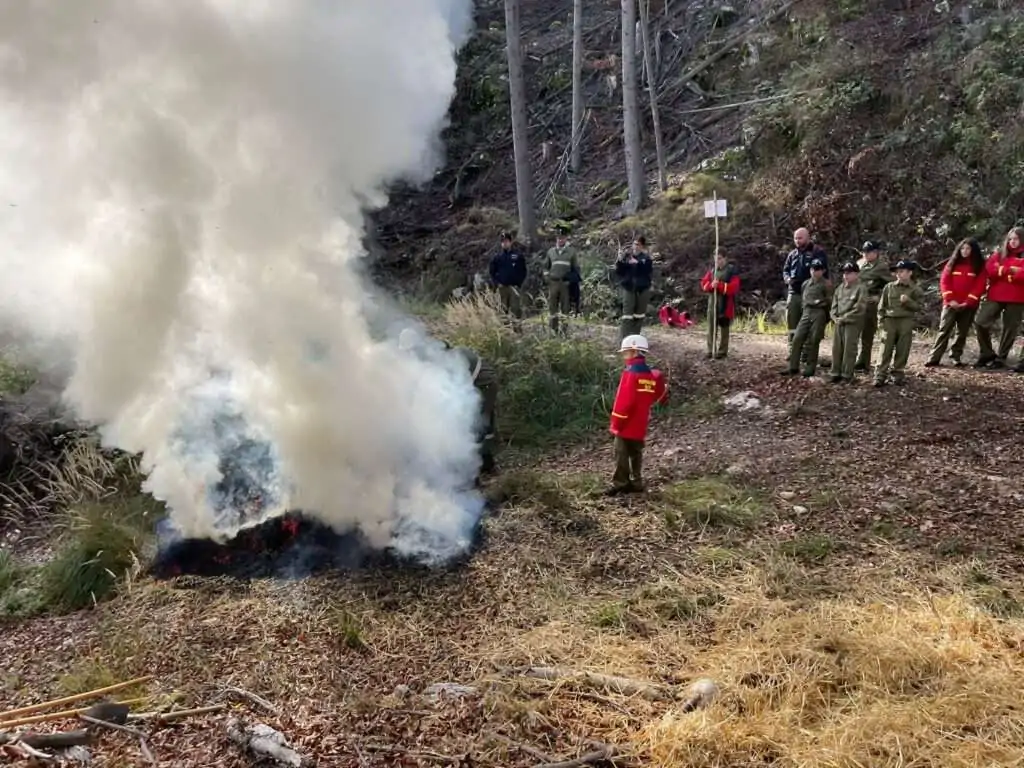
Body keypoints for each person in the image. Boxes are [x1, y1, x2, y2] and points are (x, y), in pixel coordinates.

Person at [607, 334, 668, 495]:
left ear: (634, 351)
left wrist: (616, 423)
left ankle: (621, 483)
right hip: (641, 422)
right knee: (636, 452)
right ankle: (637, 481)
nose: (623, 355)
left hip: (626, 422)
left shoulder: (630, 373)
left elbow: (624, 401)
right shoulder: (650, 375)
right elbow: (658, 395)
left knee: (620, 452)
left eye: (625, 352)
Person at [925, 238, 986, 367]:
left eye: (968, 249)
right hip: (950, 304)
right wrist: (950, 299)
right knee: (944, 330)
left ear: (973, 250)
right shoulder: (951, 264)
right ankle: (934, 357)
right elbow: (944, 282)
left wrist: (967, 302)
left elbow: (980, 286)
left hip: (968, 306)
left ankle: (955, 357)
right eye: (962, 248)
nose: (965, 251)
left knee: (962, 332)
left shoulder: (979, 267)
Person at [973, 227, 1024, 370]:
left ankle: (1001, 358)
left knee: (1010, 328)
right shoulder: (1000, 253)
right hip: (996, 294)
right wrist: (1012, 270)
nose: (1013, 242)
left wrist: (1004, 270)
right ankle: (987, 353)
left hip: (1018, 297)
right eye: (1010, 238)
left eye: (1016, 239)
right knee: (980, 321)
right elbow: (990, 269)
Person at [874, 259, 924, 387]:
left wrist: (908, 302)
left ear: (909, 273)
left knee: (903, 348)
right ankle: (880, 375)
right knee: (885, 349)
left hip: (905, 320)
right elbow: (882, 306)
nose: (898, 274)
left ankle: (897, 374)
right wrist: (881, 322)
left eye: (902, 271)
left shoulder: (915, 290)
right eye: (897, 272)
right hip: (890, 320)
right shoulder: (889, 287)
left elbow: (920, 307)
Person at [781, 227, 829, 356]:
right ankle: (793, 351)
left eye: (800, 238)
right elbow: (785, 270)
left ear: (808, 238)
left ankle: (806, 353)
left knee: (808, 325)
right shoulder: (792, 254)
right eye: (795, 238)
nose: (797, 240)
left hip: (810, 294)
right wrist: (787, 279)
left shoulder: (817, 252)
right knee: (792, 323)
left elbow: (824, 272)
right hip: (794, 292)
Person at [783, 259, 830, 377]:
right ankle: (793, 366)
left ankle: (810, 368)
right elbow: (804, 298)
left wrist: (825, 315)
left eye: (818, 269)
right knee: (797, 338)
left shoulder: (826, 284)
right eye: (813, 269)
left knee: (814, 340)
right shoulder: (806, 283)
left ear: (823, 270)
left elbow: (830, 301)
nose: (815, 272)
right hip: (806, 312)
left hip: (819, 313)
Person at [855, 240, 891, 370]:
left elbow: (890, 285)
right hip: (856, 300)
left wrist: (879, 297)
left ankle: (864, 362)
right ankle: (856, 359)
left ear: (876, 252)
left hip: (870, 302)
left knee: (867, 332)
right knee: (854, 331)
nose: (865, 254)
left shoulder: (881, 266)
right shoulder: (859, 263)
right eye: (864, 252)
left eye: (868, 252)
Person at [829, 261, 868, 383]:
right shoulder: (839, 288)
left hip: (852, 323)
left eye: (849, 273)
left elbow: (860, 307)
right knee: (837, 348)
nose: (846, 276)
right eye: (845, 273)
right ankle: (835, 373)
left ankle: (847, 375)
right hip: (839, 322)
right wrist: (834, 317)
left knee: (849, 349)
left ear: (856, 274)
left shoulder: (861, 288)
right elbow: (834, 305)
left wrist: (845, 318)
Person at [699, 247, 740, 359]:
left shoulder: (731, 270)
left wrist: (721, 286)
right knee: (711, 327)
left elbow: (734, 287)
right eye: (716, 259)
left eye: (720, 259)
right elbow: (703, 284)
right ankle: (710, 350)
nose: (718, 261)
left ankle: (722, 352)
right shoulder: (712, 271)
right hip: (712, 303)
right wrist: (711, 285)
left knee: (724, 328)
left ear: (725, 258)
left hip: (725, 304)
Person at [615, 235, 654, 340]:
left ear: (642, 246)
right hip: (629, 288)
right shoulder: (627, 257)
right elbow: (620, 272)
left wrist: (637, 264)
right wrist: (619, 261)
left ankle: (635, 339)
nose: (635, 246)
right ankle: (624, 340)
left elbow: (647, 270)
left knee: (639, 315)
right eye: (634, 244)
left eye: (638, 245)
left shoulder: (646, 259)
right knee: (627, 315)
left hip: (642, 289)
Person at [544, 225, 580, 334]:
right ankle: (553, 331)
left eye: (563, 237)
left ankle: (564, 331)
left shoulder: (571, 252)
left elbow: (576, 269)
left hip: (565, 284)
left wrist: (571, 281)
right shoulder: (551, 251)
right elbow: (546, 267)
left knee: (565, 308)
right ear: (556, 239)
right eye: (559, 237)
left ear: (566, 238)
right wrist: (547, 279)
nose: (560, 240)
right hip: (553, 283)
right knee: (552, 308)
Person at [488, 231, 527, 324]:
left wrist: (519, 283)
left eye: (506, 241)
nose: (504, 243)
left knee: (515, 310)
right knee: (502, 310)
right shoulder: (497, 258)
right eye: (502, 242)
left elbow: (523, 271)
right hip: (502, 288)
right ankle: (505, 331)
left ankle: (517, 330)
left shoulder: (518, 256)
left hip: (514, 287)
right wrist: (497, 284)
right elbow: (492, 272)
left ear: (510, 242)